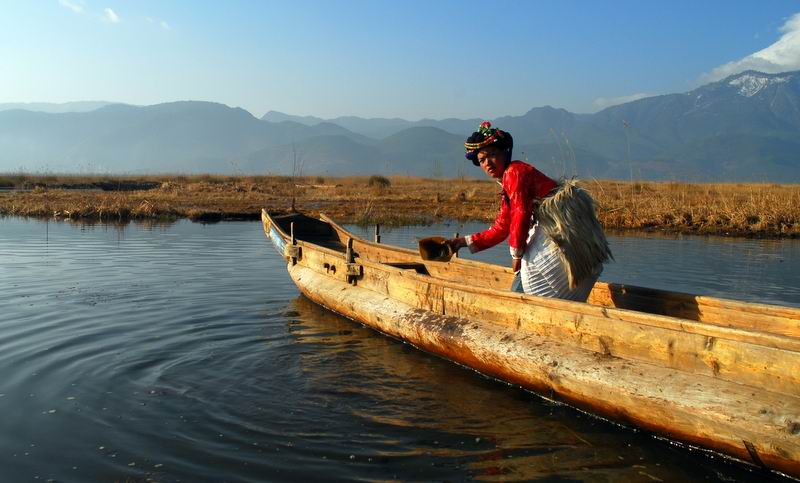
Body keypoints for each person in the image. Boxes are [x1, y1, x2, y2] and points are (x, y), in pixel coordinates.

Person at [447, 121, 612, 301]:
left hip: (562, 232)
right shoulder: (509, 184)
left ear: (505, 153)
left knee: (525, 279)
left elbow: (521, 212)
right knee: (524, 280)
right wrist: (462, 242)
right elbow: (502, 227)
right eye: (482, 160)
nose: (488, 163)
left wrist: (516, 254)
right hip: (570, 234)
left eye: (492, 155)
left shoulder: (514, 172)